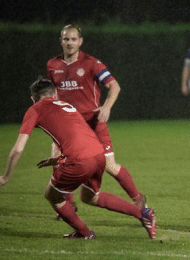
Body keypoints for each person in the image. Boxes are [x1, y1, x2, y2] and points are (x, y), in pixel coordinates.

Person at [0, 78, 156, 239]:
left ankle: (85, 233)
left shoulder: (35, 109)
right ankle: (143, 213)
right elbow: (76, 136)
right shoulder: (66, 105)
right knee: (89, 197)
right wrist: (58, 159)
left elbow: (18, 149)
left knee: (52, 195)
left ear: (33, 99)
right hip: (98, 154)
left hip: (80, 159)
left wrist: (5, 176)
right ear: (55, 94)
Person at [47, 24, 146, 214]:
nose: (69, 43)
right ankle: (68, 205)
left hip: (93, 124)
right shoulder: (53, 64)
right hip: (68, 127)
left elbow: (115, 86)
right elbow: (55, 94)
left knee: (110, 165)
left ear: (80, 41)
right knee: (58, 161)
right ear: (61, 41)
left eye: (73, 39)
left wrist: (106, 107)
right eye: (66, 39)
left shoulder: (92, 64)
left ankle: (139, 201)